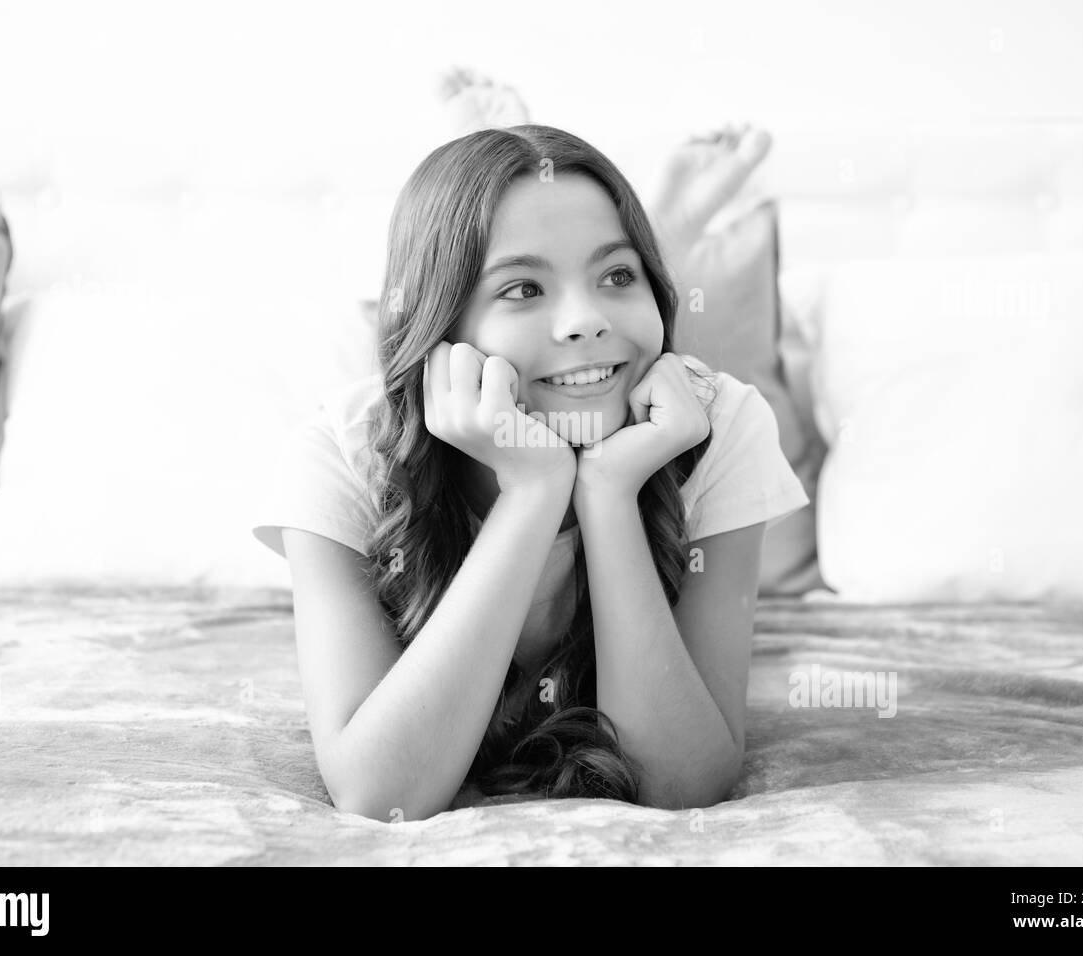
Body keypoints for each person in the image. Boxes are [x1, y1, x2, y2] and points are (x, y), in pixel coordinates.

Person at [252, 115, 809, 823]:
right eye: (521, 289)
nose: (586, 320)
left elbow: (680, 787)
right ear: (444, 331)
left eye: (617, 274)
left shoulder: (716, 423)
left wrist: (608, 493)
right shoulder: (341, 454)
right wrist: (533, 493)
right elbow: (382, 796)